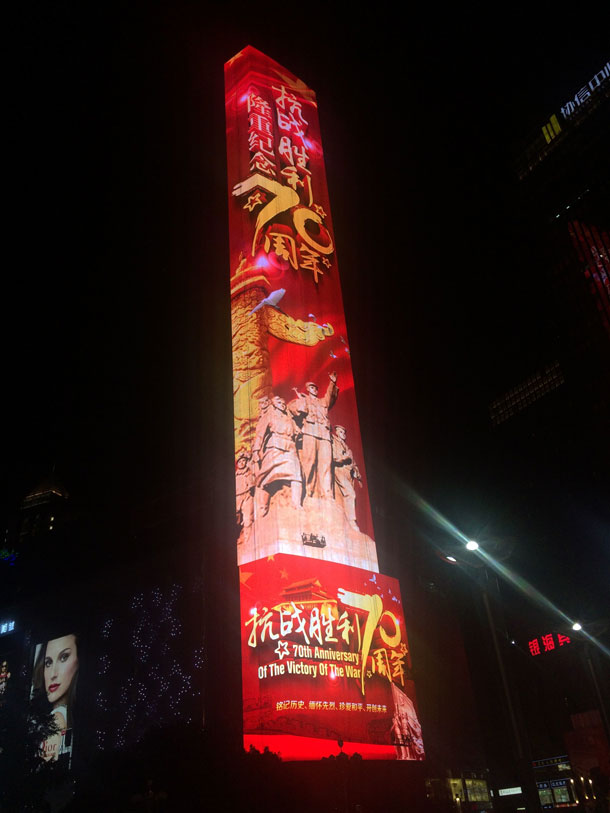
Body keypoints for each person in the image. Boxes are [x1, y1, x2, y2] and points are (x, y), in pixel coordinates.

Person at [288, 372, 338, 499]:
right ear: (308, 389)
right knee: (309, 461)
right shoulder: (303, 400)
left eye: (315, 388)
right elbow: (293, 409)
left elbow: (330, 396)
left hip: (324, 434)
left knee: (326, 464)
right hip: (310, 432)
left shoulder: (322, 402)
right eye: (311, 388)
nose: (314, 390)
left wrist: (332, 383)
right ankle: (308, 492)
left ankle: (327, 494)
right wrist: (301, 403)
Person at [32, 633, 79, 762]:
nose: (53, 674)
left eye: (64, 657)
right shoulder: (48, 717)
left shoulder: (58, 718)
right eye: (48, 663)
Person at [252, 395, 303, 514]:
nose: (282, 404)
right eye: (279, 402)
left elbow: (297, 433)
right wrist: (256, 451)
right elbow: (260, 434)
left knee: (297, 475)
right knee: (266, 476)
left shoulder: (289, 418)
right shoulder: (269, 416)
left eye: (283, 403)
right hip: (274, 447)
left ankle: (297, 504)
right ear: (274, 404)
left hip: (290, 448)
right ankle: (263, 506)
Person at [331, 425, 362, 528]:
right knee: (350, 493)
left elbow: (353, 462)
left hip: (348, 473)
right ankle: (351, 520)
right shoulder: (334, 442)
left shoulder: (347, 447)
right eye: (340, 432)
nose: (343, 434)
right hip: (339, 470)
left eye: (344, 432)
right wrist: (344, 457)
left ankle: (346, 520)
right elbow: (334, 457)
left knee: (347, 495)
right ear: (336, 432)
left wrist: (356, 472)